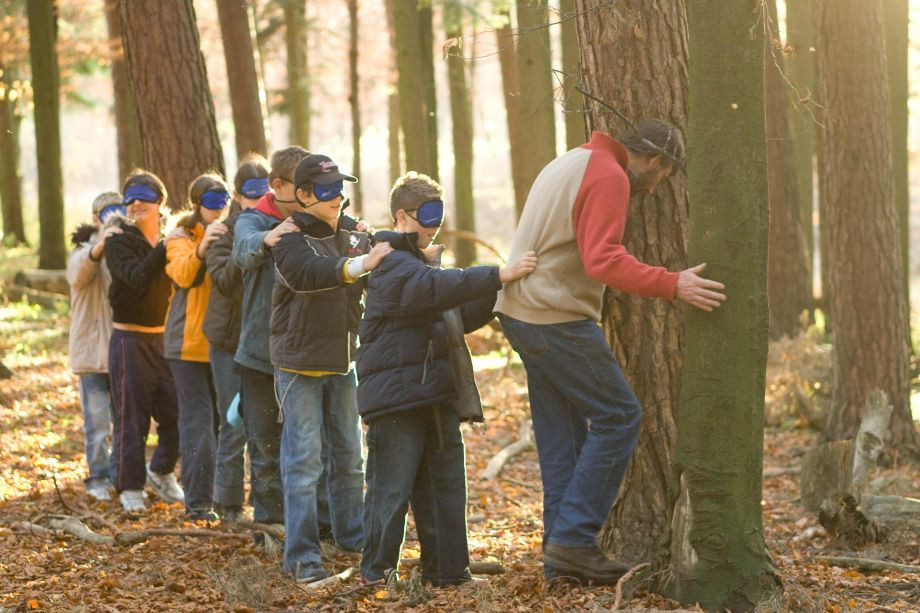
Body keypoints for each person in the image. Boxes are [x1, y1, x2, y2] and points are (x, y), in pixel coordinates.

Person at [494, 120, 727, 582]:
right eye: (664, 176)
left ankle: (561, 560)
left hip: (522, 312)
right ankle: (574, 540)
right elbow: (602, 259)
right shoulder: (608, 175)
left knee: (563, 440)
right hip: (554, 317)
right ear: (655, 161)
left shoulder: (571, 161)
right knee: (619, 417)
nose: (656, 188)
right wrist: (672, 283)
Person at [357, 171, 537, 587]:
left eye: (439, 215)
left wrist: (497, 296)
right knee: (390, 491)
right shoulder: (389, 261)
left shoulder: (423, 266)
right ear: (402, 216)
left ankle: (450, 572)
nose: (434, 225)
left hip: (435, 393)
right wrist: (496, 275)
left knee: (445, 486)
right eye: (427, 215)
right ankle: (376, 577)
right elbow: (430, 288)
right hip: (397, 400)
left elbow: (453, 314)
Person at [270, 153, 394, 582]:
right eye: (326, 190)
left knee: (350, 457)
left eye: (340, 188)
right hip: (298, 365)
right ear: (303, 195)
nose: (336, 196)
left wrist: (417, 252)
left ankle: (353, 538)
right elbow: (310, 274)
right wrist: (360, 264)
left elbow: (384, 263)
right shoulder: (288, 239)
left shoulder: (355, 232)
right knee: (304, 463)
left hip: (343, 362)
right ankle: (303, 558)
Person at [231, 147, 308, 527]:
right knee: (263, 449)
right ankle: (270, 529)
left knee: (309, 450)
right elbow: (244, 249)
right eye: (301, 186)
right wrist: (269, 238)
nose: (309, 194)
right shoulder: (252, 219)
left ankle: (315, 528)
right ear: (277, 185)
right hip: (259, 357)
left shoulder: (316, 216)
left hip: (305, 357)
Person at [104, 170, 184, 513]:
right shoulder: (118, 240)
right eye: (130, 197)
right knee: (131, 419)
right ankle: (130, 487)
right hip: (129, 341)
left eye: (144, 197)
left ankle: (161, 470)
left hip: (165, 341)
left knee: (177, 413)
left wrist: (170, 243)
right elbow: (136, 277)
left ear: (159, 201)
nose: (136, 203)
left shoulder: (172, 238)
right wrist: (164, 247)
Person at [203, 155, 270, 523]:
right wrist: (250, 245)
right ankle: (227, 505)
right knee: (233, 425)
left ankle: (266, 508)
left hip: (264, 344)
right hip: (228, 343)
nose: (257, 202)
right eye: (251, 195)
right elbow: (225, 282)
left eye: (264, 194)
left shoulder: (276, 229)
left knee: (265, 428)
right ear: (238, 195)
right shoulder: (223, 233)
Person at [163, 173, 231, 520]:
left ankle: (223, 500)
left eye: (224, 201)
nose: (218, 209)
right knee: (199, 425)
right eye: (211, 202)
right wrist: (203, 248)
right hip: (186, 347)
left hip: (224, 344)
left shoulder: (235, 230)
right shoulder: (181, 236)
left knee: (225, 426)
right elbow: (183, 274)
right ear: (196, 204)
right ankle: (199, 505)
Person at [66, 192, 124, 502]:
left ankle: (122, 475)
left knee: (124, 420)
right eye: (107, 212)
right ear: (95, 218)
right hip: (91, 354)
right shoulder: (82, 251)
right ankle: (98, 477)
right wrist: (101, 246)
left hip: (121, 350)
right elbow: (78, 274)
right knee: (98, 422)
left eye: (119, 210)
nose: (114, 216)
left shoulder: (127, 247)